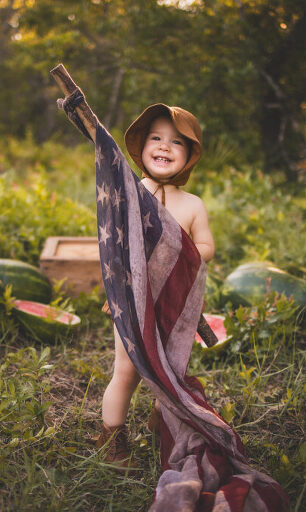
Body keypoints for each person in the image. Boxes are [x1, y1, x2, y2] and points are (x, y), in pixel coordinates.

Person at [97, 104, 215, 471]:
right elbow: (114, 241)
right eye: (156, 138)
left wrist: (179, 251)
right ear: (141, 146)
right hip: (132, 302)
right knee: (127, 370)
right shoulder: (130, 192)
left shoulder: (193, 205)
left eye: (176, 142)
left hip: (176, 304)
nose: (165, 146)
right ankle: (111, 439)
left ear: (190, 155)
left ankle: (161, 419)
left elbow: (208, 246)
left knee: (171, 367)